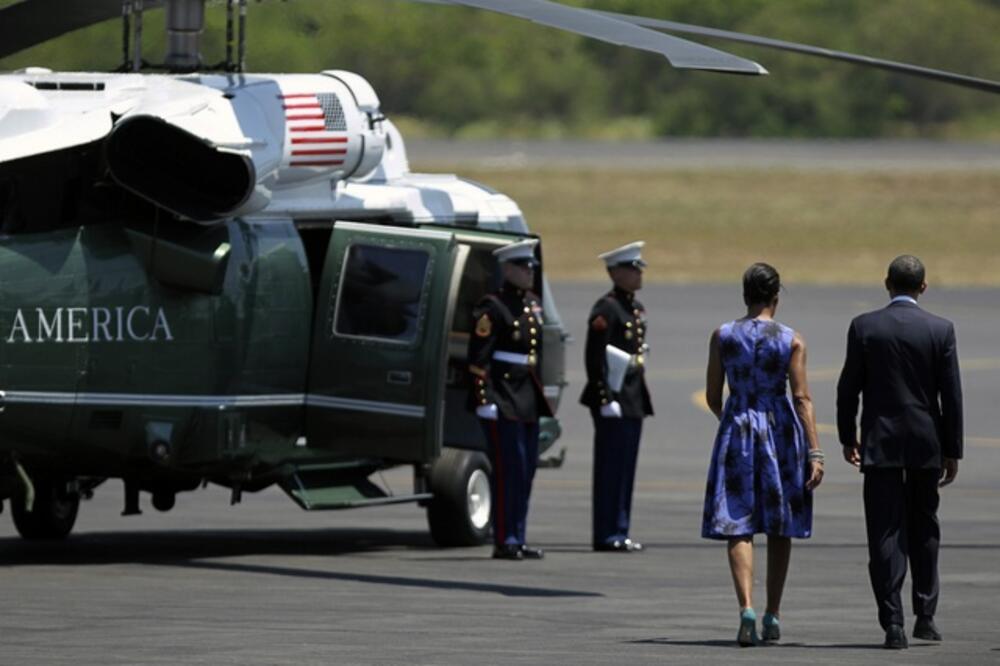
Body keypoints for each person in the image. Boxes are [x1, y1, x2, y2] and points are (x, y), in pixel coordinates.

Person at [836, 255, 963, 650]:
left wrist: (846, 436)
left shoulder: (865, 327)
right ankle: (926, 614)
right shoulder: (940, 329)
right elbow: (951, 396)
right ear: (923, 287)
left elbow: (848, 389)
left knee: (884, 531)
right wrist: (952, 448)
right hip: (926, 442)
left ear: (886, 283)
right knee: (925, 526)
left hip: (881, 442)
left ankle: (893, 622)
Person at [701, 263, 824, 647]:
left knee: (738, 520)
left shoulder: (723, 336)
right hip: (780, 432)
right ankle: (773, 612)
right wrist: (815, 450)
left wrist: (734, 418)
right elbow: (802, 398)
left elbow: (711, 394)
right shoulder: (791, 340)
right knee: (779, 522)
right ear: (776, 296)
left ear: (744, 294)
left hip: (737, 426)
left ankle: (746, 609)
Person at [467, 238, 553, 561]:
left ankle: (518, 535)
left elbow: (536, 355)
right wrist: (483, 397)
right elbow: (479, 358)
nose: (529, 272)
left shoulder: (532, 304)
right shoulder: (493, 307)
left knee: (526, 470)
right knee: (508, 471)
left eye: (531, 266)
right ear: (507, 269)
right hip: (503, 397)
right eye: (522, 266)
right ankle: (505, 539)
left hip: (527, 396)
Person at [580, 241, 654, 552]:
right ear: (615, 272)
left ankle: (620, 529)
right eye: (632, 269)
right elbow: (594, 357)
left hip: (633, 393)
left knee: (626, 468)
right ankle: (606, 531)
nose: (639, 274)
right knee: (610, 468)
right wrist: (604, 396)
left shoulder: (635, 308)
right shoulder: (606, 308)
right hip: (613, 396)